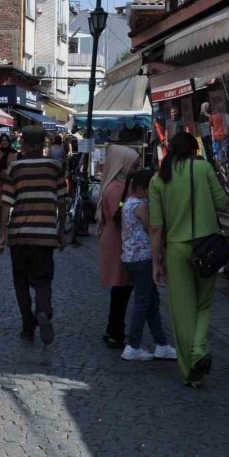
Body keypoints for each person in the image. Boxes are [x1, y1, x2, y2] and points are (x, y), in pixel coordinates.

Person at [150, 132, 228, 386]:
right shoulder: (204, 168)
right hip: (207, 246)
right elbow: (223, 203)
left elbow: (156, 227)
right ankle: (198, 351)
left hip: (176, 248)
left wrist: (155, 262)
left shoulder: (158, 180)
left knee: (181, 312)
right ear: (195, 151)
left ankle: (189, 372)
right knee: (203, 304)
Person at [0, 126, 66, 345]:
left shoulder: (15, 167)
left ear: (23, 144)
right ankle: (43, 311)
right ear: (44, 144)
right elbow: (62, 201)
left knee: (21, 282)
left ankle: (27, 326)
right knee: (43, 280)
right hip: (45, 235)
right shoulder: (55, 167)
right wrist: (61, 230)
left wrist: (3, 234)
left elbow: (6, 204)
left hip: (19, 236)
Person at [120, 170, 176, 361]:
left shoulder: (127, 203)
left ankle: (161, 344)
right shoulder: (141, 205)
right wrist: (160, 256)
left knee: (151, 302)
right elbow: (151, 229)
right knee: (143, 302)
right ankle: (133, 346)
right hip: (142, 258)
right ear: (140, 189)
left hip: (130, 257)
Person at [98, 145, 140, 349]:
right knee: (122, 288)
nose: (138, 169)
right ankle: (116, 331)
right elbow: (121, 217)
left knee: (121, 288)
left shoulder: (117, 185)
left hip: (115, 239)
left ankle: (113, 329)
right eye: (135, 165)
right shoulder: (118, 188)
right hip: (118, 241)